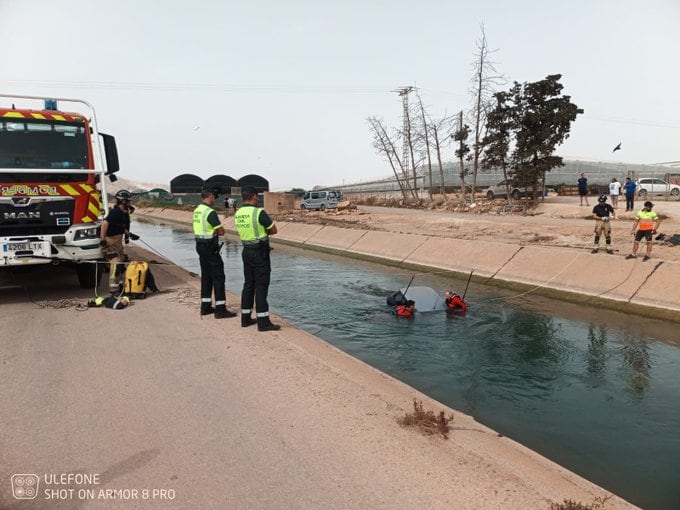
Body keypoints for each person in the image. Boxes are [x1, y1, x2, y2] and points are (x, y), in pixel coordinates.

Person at [234, 186, 280, 331]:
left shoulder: (238, 213)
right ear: (254, 196)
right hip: (259, 253)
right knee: (261, 286)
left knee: (249, 285)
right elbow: (273, 230)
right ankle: (263, 322)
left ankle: (245, 319)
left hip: (246, 251)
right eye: (257, 196)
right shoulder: (258, 212)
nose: (258, 198)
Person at [193, 189, 237, 319]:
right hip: (210, 247)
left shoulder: (197, 210)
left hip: (200, 246)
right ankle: (220, 309)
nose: (215, 200)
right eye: (214, 197)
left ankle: (205, 307)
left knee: (206, 277)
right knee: (218, 277)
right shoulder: (210, 212)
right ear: (210, 196)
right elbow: (221, 231)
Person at [101, 190, 136, 293]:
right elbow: (104, 224)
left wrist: (129, 234)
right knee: (115, 263)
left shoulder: (122, 213)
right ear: (123, 201)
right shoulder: (115, 212)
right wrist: (103, 240)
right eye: (129, 201)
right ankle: (113, 289)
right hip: (111, 241)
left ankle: (120, 285)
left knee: (120, 263)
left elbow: (121, 226)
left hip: (118, 240)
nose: (130, 203)